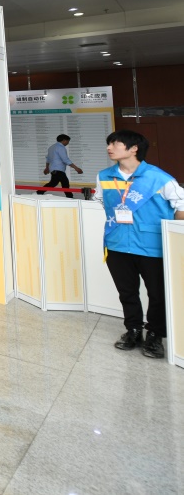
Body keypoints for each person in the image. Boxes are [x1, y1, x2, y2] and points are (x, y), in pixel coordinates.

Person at [98, 130, 184, 359]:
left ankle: (155, 335)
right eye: (108, 143)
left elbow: (181, 205)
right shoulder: (104, 176)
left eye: (115, 143)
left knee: (157, 294)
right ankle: (133, 330)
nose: (109, 148)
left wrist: (176, 238)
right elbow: (103, 202)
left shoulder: (158, 178)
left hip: (152, 246)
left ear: (134, 148)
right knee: (127, 292)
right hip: (117, 244)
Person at [41, 134, 83, 198]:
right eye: (68, 141)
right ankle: (38, 192)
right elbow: (65, 160)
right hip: (58, 170)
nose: (68, 143)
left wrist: (47, 168)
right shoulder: (61, 147)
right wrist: (76, 168)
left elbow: (48, 159)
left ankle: (70, 197)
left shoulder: (51, 147)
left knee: (60, 183)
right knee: (59, 183)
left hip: (54, 169)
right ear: (64, 140)